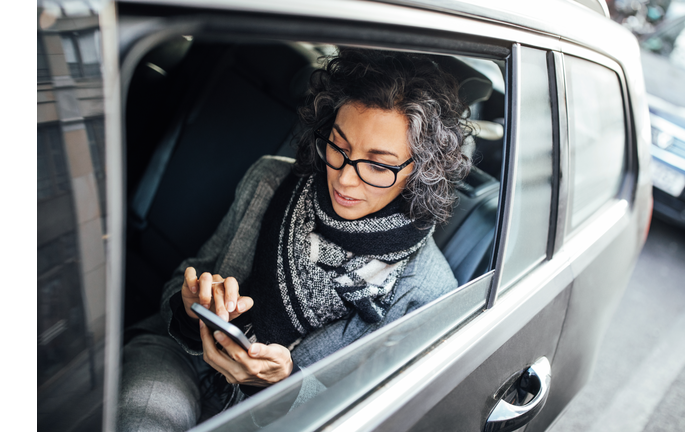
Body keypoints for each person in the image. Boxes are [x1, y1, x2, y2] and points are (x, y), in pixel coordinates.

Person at [117, 47, 473, 431]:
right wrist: (191, 304)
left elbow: (366, 414)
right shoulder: (270, 179)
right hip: (183, 360)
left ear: (420, 170)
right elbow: (191, 274)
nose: (344, 177)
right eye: (338, 145)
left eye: (377, 165)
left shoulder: (426, 289)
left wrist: (281, 388)